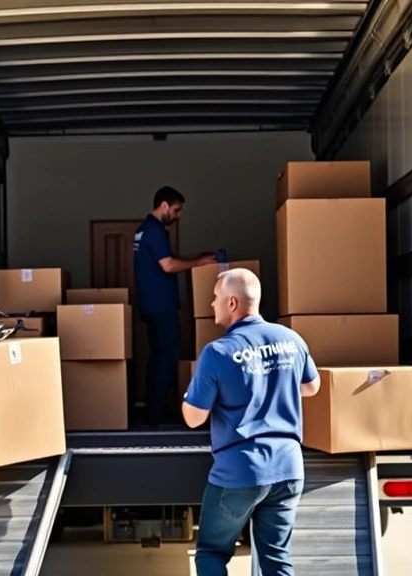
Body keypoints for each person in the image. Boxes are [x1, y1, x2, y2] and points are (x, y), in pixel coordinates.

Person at [181, 268, 320, 575]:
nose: (211, 305)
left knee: (211, 553)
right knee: (276, 557)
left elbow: (194, 418)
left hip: (240, 471)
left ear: (232, 303)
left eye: (215, 298)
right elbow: (311, 387)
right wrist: (274, 380)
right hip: (288, 468)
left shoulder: (217, 352)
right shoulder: (291, 339)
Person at [133, 185, 217, 426]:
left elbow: (166, 259)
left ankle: (153, 409)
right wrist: (199, 263)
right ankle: (157, 413)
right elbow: (168, 265)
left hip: (150, 304)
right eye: (177, 210)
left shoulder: (143, 231)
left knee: (158, 356)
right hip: (161, 304)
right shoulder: (156, 230)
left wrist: (194, 257)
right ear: (164, 206)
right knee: (168, 354)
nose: (178, 215)